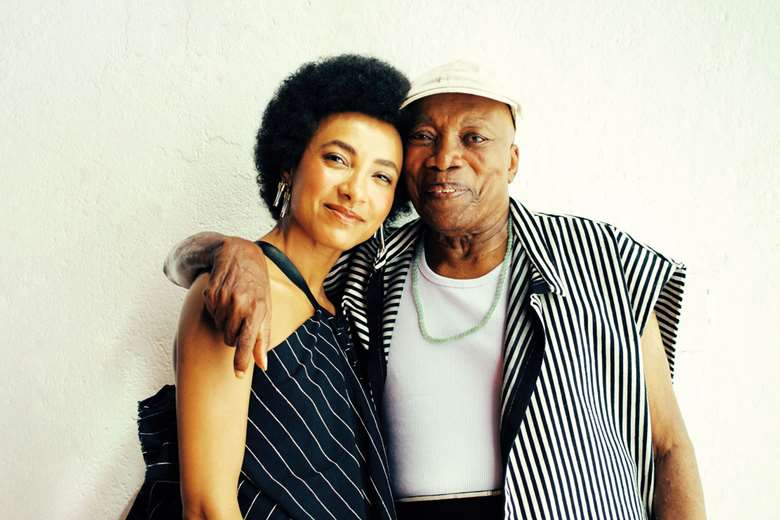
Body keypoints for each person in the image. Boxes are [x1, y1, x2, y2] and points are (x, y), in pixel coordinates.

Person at [164, 61, 706, 519]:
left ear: (512, 160)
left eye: (474, 137)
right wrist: (228, 250)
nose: (446, 156)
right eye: (425, 137)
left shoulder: (600, 258)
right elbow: (280, 261)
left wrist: (229, 252)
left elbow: (669, 445)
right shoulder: (371, 266)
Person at [128, 54, 411, 520]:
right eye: (338, 158)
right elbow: (206, 506)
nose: (355, 190)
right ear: (288, 164)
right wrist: (228, 252)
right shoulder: (233, 292)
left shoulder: (348, 306)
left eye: (381, 176)